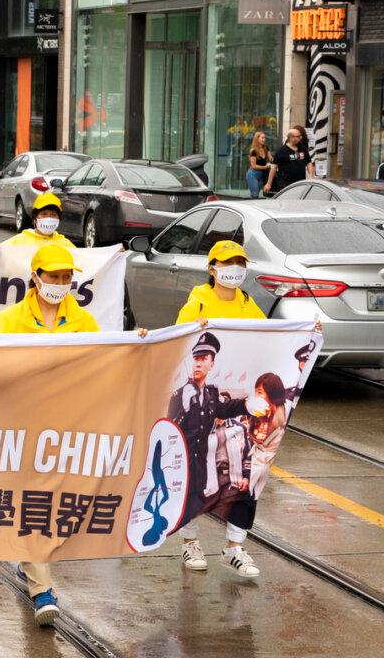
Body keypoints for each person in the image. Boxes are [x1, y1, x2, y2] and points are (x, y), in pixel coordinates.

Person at [0, 244, 99, 626]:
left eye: (66, 278)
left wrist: (138, 343)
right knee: (34, 503)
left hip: (66, 427)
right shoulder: (12, 319)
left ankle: (29, 561)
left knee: (59, 507)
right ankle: (42, 589)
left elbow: (110, 357)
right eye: (54, 277)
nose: (61, 284)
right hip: (23, 428)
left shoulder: (83, 322)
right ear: (36, 278)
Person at [173, 240, 264, 578]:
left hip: (235, 412)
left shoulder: (247, 302)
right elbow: (179, 339)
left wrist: (304, 332)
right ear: (212, 269)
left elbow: (268, 338)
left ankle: (235, 547)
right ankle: (189, 542)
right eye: (227, 263)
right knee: (195, 480)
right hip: (199, 424)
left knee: (246, 478)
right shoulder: (198, 301)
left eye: (240, 262)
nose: (234, 269)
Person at [167, 331, 256, 577]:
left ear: (211, 363)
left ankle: (233, 549)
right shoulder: (180, 395)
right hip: (183, 461)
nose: (197, 362)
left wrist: (248, 404)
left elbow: (226, 408)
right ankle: (190, 544)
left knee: (241, 494)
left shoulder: (212, 394)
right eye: (195, 357)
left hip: (205, 462)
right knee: (188, 503)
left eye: (204, 358)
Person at [245, 373, 287, 499]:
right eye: (256, 392)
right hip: (257, 463)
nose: (257, 396)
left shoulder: (276, 418)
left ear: (272, 395)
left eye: (260, 392)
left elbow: (259, 439)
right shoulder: (266, 412)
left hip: (262, 465)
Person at [0, 193, 74, 249]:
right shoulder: (20, 240)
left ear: (59, 219)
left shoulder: (65, 244)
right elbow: (0, 253)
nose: (48, 218)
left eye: (53, 215)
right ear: (35, 218)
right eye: (44, 214)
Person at [266, 125, 314, 193]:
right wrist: (269, 184)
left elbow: (309, 162)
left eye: (300, 136)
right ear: (291, 138)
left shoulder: (303, 148)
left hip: (300, 183)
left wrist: (311, 176)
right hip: (285, 184)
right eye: (298, 136)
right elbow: (274, 167)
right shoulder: (281, 151)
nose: (300, 137)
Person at [245, 131, 274, 199]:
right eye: (262, 138)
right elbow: (253, 166)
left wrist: (275, 161)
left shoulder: (265, 148)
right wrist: (266, 167)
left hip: (262, 174)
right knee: (254, 195)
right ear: (257, 139)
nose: (264, 139)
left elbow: (271, 159)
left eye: (265, 138)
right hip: (253, 174)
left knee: (258, 194)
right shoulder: (253, 151)